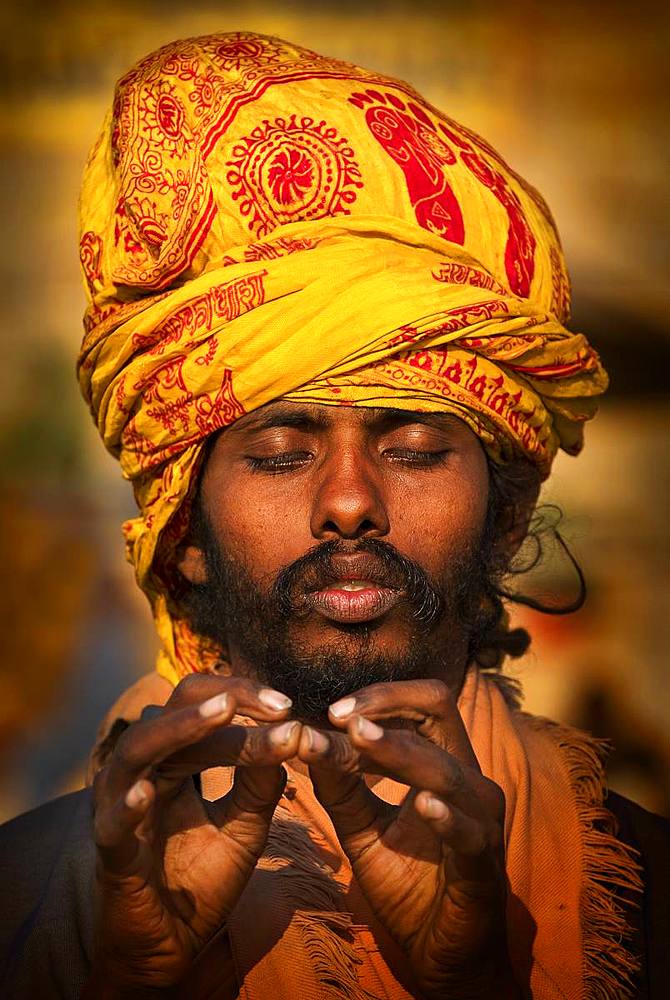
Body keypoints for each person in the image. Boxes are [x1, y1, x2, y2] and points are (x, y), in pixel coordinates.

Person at [0, 30, 668, 1000]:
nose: (350, 500)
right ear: (181, 524)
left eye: (415, 447)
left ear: (509, 509)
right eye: (279, 452)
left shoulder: (645, 905)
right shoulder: (27, 911)